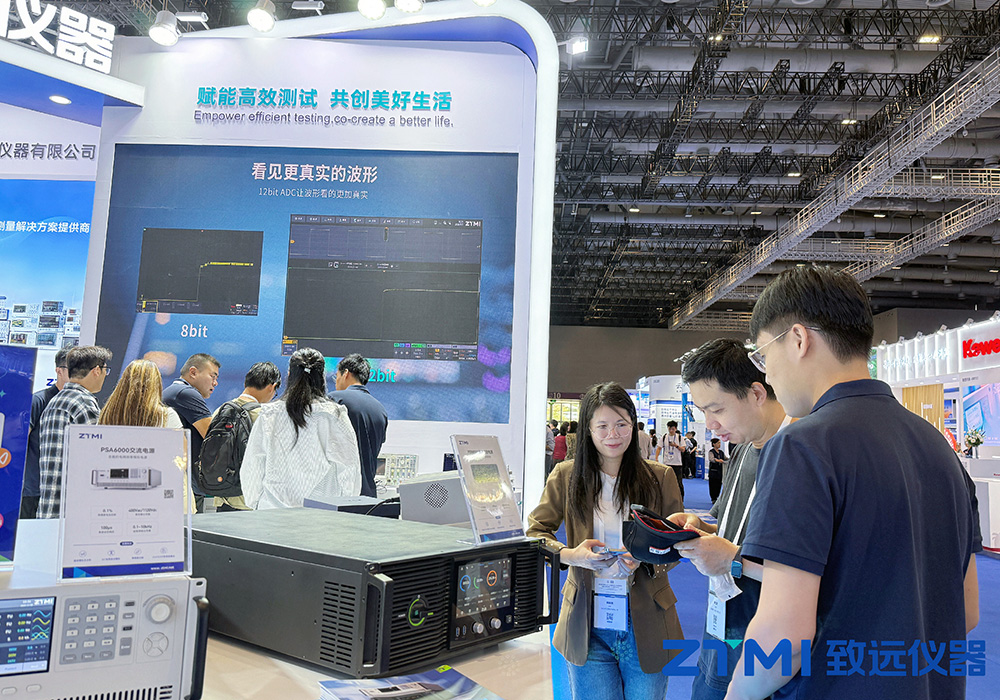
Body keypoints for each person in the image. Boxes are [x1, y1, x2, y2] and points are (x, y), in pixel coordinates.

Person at [730, 266, 981, 700]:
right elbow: (968, 611)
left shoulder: (802, 446)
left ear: (798, 339)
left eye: (763, 356)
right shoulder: (938, 446)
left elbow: (782, 638)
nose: (767, 375)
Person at [528, 382, 684, 700]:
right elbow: (535, 533)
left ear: (633, 425)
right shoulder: (566, 476)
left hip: (646, 618)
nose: (613, 435)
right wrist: (571, 555)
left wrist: (645, 558)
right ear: (588, 429)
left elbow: (676, 544)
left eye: (621, 424)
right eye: (602, 426)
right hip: (587, 620)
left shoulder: (660, 477)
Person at [664, 338, 789, 700]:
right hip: (721, 622)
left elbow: (812, 575)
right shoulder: (744, 448)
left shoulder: (801, 457)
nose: (710, 424)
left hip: (768, 640)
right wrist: (701, 527)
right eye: (702, 411)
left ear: (756, 393)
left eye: (716, 409)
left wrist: (733, 559)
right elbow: (730, 523)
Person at [241, 348, 361, 509]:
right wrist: (346, 506)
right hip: (321, 515)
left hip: (272, 514)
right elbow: (349, 468)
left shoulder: (270, 414)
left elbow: (253, 464)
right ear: (322, 378)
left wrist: (254, 503)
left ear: (289, 375)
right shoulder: (334, 415)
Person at [98, 359, 197, 513]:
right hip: (164, 496)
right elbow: (183, 457)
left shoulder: (107, 415)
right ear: (156, 384)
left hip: (119, 494)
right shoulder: (166, 416)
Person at [37, 345, 112, 518]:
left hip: (48, 506)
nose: (105, 376)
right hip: (71, 511)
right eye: (105, 370)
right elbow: (96, 457)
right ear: (96, 370)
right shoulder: (83, 403)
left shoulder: (56, 401)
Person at [208, 361, 282, 511]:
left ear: (246, 382)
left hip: (223, 498)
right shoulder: (265, 416)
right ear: (271, 387)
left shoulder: (221, 411)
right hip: (251, 502)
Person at [163, 353, 220, 512]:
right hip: (188, 485)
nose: (215, 383)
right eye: (212, 376)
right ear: (193, 372)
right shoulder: (185, 392)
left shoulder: (173, 391)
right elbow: (213, 436)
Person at [328, 353, 388, 498]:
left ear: (346, 373)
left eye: (336, 376)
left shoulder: (335, 399)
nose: (336, 382)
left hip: (340, 494)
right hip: (368, 496)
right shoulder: (380, 409)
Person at [20, 349, 69, 519]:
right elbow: (20, 441)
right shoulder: (38, 400)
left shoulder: (76, 403)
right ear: (59, 371)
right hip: (33, 489)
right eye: (72, 369)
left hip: (61, 489)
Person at [655, 420, 685, 497]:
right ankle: (666, 498)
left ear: (676, 428)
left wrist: (676, 446)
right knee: (666, 483)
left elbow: (683, 449)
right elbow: (659, 448)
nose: (671, 430)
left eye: (673, 429)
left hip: (677, 463)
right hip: (667, 463)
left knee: (679, 483)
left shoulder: (680, 437)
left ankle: (681, 499)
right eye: (669, 429)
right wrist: (656, 458)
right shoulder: (664, 437)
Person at [708, 438, 726, 504]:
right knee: (713, 485)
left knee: (719, 485)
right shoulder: (711, 452)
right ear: (714, 444)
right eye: (718, 443)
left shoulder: (721, 452)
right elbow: (711, 459)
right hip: (713, 472)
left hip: (720, 472)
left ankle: (717, 497)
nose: (719, 444)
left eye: (720, 443)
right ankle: (713, 498)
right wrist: (717, 460)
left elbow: (726, 458)